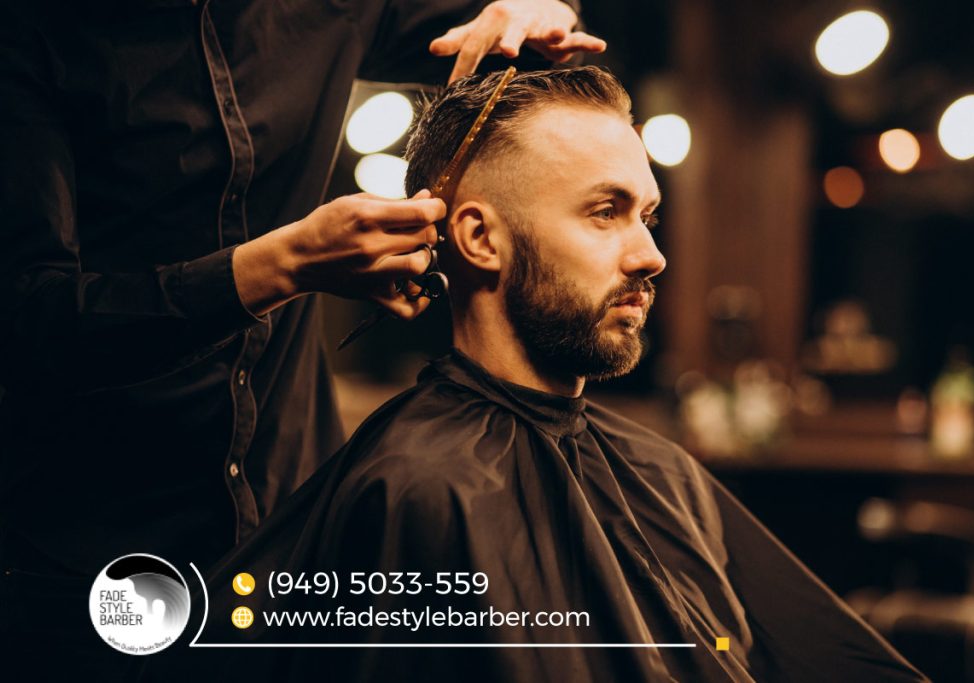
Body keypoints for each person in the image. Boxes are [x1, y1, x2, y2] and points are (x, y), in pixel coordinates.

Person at [186, 67, 927, 682]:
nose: (651, 256)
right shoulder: (421, 491)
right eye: (605, 212)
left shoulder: (662, 473)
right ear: (480, 238)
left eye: (647, 216)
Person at [0, 0, 604, 678]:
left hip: (295, 529)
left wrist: (544, 8)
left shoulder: (332, 11)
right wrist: (283, 265)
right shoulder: (31, 33)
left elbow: (508, 30)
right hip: (92, 557)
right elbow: (28, 320)